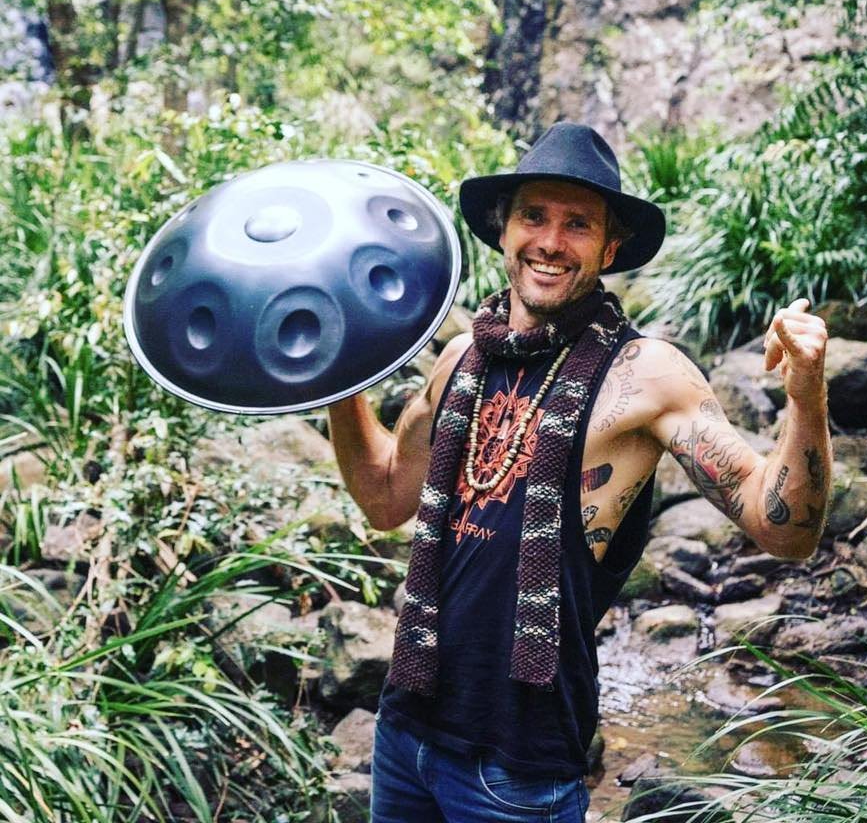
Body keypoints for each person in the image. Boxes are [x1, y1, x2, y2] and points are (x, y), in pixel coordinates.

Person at [328, 121, 831, 823]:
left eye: (577, 224)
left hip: (517, 766)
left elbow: (781, 531)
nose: (550, 242)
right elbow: (385, 498)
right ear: (503, 230)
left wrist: (805, 397)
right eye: (533, 216)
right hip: (405, 732)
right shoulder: (457, 363)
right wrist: (336, 373)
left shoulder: (646, 374)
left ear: (609, 247)